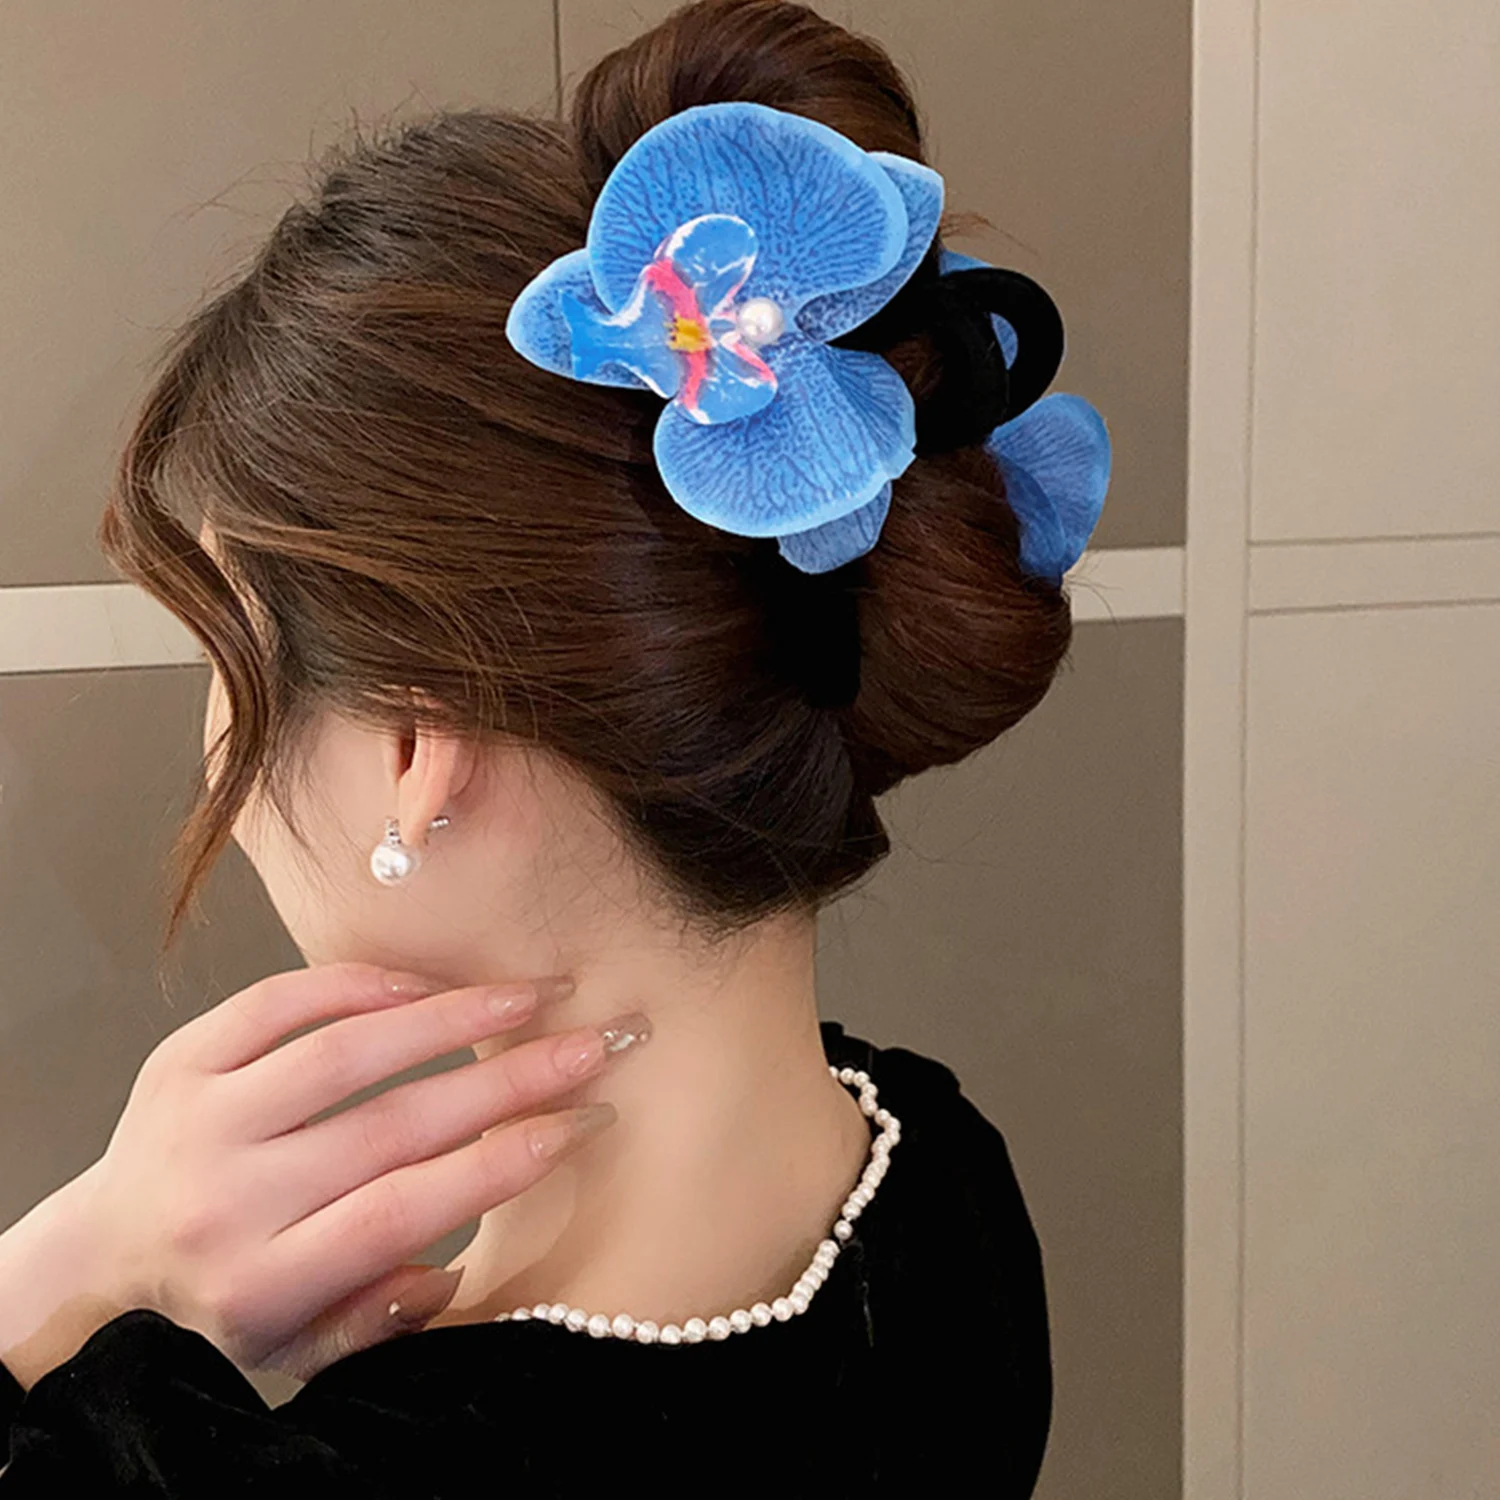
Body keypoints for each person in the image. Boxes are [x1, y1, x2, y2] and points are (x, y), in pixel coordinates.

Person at [1, 0, 1110, 1491]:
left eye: (227, 659)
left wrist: (77, 1267)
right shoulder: (942, 1187)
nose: (217, 753)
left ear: (415, 745)